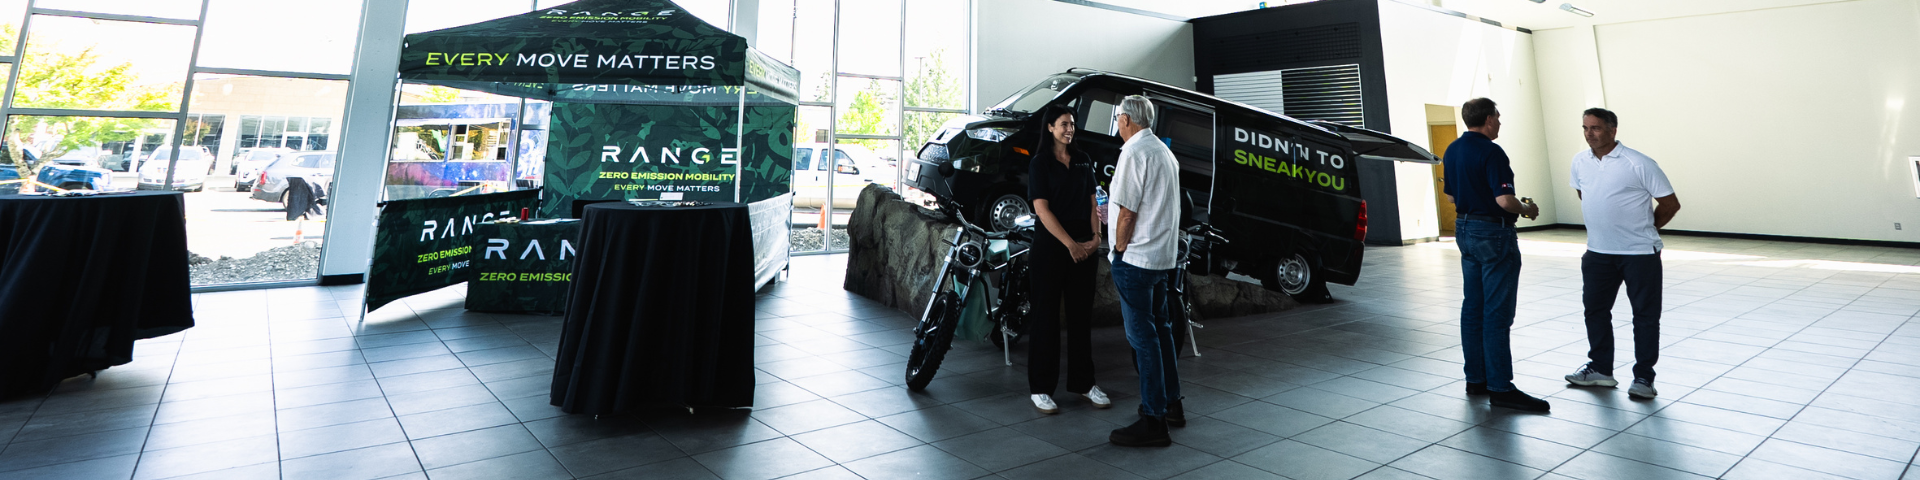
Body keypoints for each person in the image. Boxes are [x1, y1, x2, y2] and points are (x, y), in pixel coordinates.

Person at [1562, 108, 1679, 399]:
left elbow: (1670, 204)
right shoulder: (1579, 162)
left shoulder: (1638, 163)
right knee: (1595, 311)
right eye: (1586, 128)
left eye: (1596, 128)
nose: (1590, 133)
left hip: (1639, 253)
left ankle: (1644, 378)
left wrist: (1646, 228)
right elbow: (1585, 194)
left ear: (1613, 130)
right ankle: (1600, 369)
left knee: (1645, 316)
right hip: (1598, 253)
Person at [1443, 98, 1549, 412]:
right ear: (1488, 119)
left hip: (1464, 230)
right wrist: (1528, 209)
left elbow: (1451, 195)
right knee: (1497, 314)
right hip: (1493, 233)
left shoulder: (1452, 150)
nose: (1500, 123)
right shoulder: (1492, 152)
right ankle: (1501, 387)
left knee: (1472, 308)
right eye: (1498, 117)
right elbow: (1504, 201)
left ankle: (1476, 379)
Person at [1106, 94, 1184, 446]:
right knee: (1162, 333)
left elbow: (1127, 212)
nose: (1118, 124)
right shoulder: (1164, 151)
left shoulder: (1133, 153)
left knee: (1144, 340)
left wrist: (1119, 249)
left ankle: (1154, 420)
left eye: (1118, 118)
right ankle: (1172, 405)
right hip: (1161, 259)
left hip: (1135, 260)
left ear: (1126, 120)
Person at [1024, 105, 1110, 414]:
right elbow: (1041, 210)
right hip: (1051, 248)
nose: (1069, 129)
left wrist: (1096, 237)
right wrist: (1070, 244)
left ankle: (1084, 383)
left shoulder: (1084, 160)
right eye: (1063, 124)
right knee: (1045, 318)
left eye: (1072, 124)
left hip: (1085, 247)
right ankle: (1041, 388)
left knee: (1080, 318)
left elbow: (1094, 201)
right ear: (1050, 128)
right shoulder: (1040, 163)